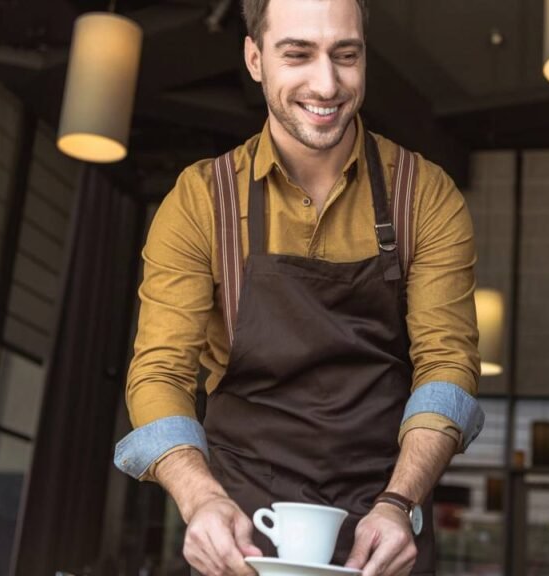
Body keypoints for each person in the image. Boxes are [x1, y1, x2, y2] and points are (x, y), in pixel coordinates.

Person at [113, 1, 485, 575]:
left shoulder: (425, 195)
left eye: (346, 55)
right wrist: (200, 499)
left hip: (382, 523)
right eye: (298, 54)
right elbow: (160, 372)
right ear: (255, 58)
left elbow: (446, 364)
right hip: (239, 526)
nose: (327, 83)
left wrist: (399, 502)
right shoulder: (200, 201)